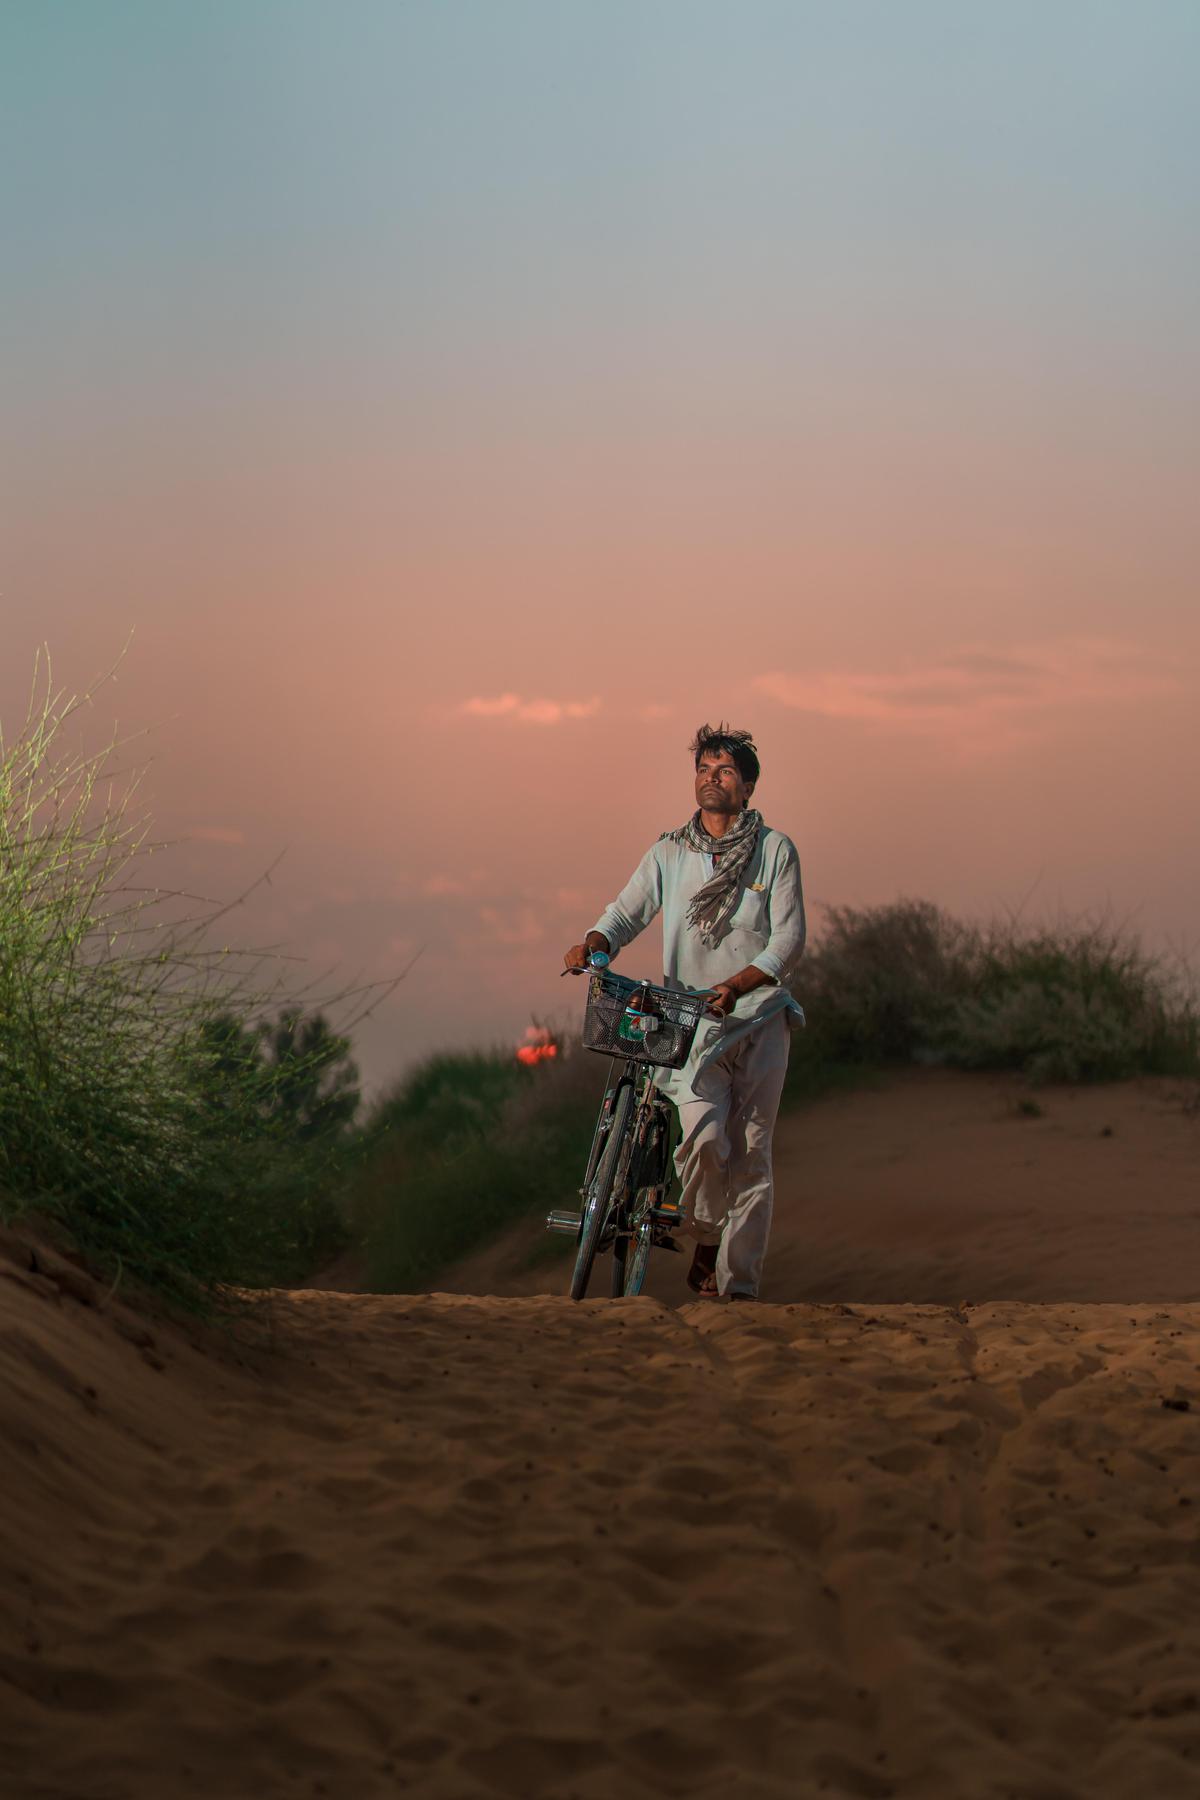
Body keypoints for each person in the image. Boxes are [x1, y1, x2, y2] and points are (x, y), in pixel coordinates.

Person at [563, 723, 806, 1301]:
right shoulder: (669, 853)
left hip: (760, 1020)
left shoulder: (775, 851)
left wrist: (739, 983)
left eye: (724, 771)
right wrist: (594, 942)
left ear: (746, 786)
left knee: (752, 1159)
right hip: (691, 1024)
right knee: (703, 1138)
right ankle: (706, 1233)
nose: (711, 779)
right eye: (703, 769)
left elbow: (788, 941)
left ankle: (737, 1290)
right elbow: (625, 913)